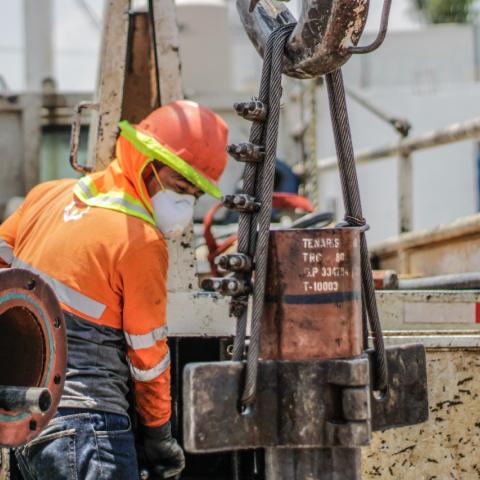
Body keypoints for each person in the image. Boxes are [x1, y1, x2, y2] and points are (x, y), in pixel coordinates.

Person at [0, 100, 229, 480]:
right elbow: (148, 359)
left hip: (30, 428)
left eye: (195, 192)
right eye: (180, 184)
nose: (186, 202)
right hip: (90, 433)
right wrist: (159, 435)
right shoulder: (141, 241)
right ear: (145, 164)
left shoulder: (47, 196)